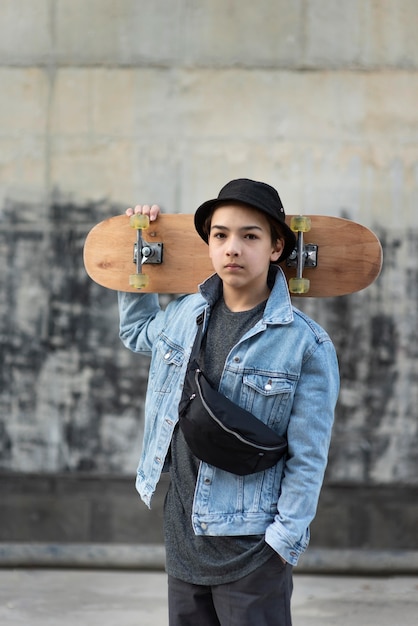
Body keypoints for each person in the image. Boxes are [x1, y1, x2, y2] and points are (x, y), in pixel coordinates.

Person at [118, 178, 340, 626]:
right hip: (184, 539)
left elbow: (309, 455)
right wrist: (134, 247)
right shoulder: (184, 315)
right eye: (220, 236)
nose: (232, 248)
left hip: (254, 549)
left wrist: (283, 542)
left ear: (277, 248)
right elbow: (136, 333)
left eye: (249, 236)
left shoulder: (306, 344)